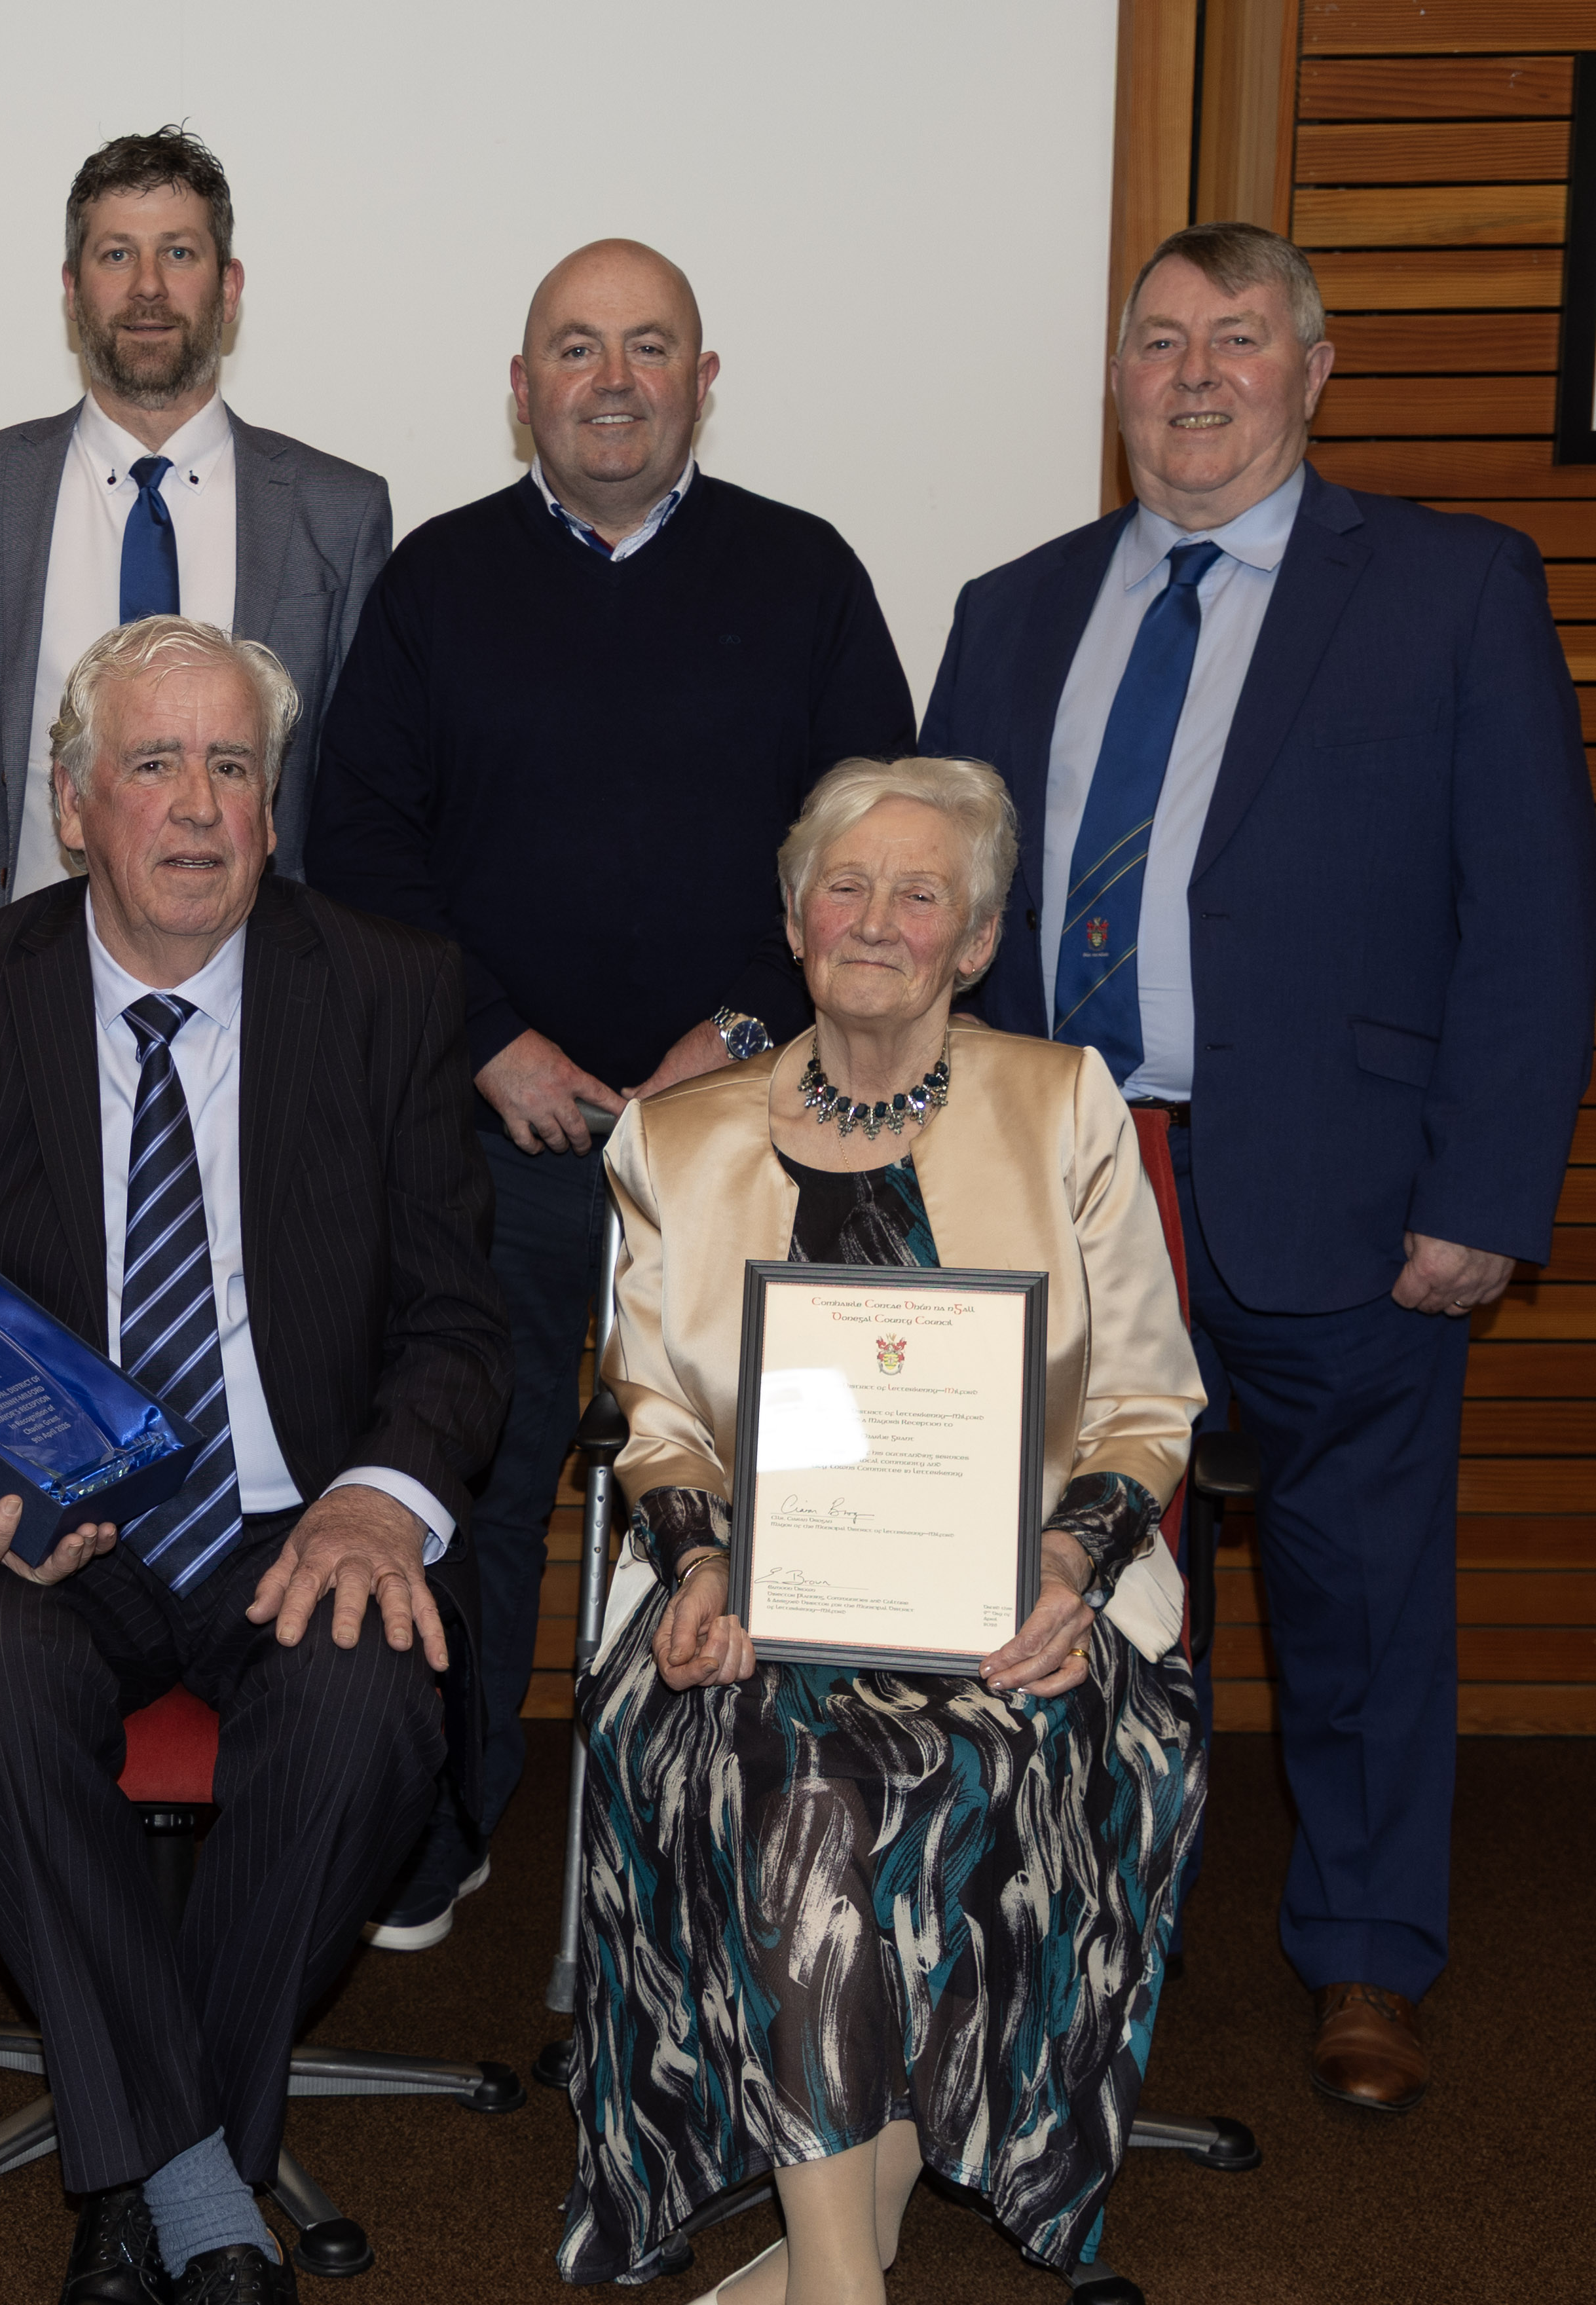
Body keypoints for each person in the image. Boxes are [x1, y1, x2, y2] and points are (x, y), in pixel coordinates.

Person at [919, 221, 1596, 2112]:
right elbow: (931, 912)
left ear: (1314, 371)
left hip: (1340, 1189)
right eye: (1155, 342)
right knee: (1060, 1593)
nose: (1192, 377)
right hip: (1059, 1192)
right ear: (1114, 376)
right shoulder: (1011, 605)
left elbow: (1531, 917)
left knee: (1355, 1596)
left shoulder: (1450, 590)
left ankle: (1367, 1959)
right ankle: (1071, 1941)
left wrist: (1482, 1197)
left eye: (1236, 340)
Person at [0, 618, 507, 2304]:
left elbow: (456, 1325)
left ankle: (143, 2163)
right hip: (55, 1530)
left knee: (367, 1697)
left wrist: (380, 1494)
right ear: (74, 806)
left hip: (303, 1511)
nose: (196, 807)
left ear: (273, 815)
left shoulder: (388, 988)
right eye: (153, 764)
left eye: (232, 768)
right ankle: (206, 2181)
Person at [306, 237, 916, 1947]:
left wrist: (738, 1031)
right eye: (575, 349)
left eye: (650, 348)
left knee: (759, 1496)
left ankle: (743, 1837)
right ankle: (446, 1815)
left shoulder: (802, 577)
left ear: (701, 382)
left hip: (752, 1144)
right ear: (522, 389)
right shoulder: (434, 583)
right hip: (500, 1140)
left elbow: (873, 841)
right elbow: (363, 850)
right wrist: (490, 1039)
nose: (613, 378)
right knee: (468, 1492)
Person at [561, 756, 1206, 2302]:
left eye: (922, 893)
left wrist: (1066, 1568)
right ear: (793, 919)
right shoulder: (677, 1137)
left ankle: (832, 2246)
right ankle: (846, 2274)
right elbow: (651, 1408)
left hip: (1028, 1607)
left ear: (973, 943)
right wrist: (701, 1560)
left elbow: (1144, 1397)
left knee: (945, 1765)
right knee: (796, 1768)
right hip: (746, 1604)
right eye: (844, 884)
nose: (875, 917)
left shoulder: (1062, 1106)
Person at [0, 126, 389, 931]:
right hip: (13, 980)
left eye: (178, 254)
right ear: (72, 288)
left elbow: (352, 807)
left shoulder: (337, 513)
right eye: (115, 256)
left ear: (229, 287)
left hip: (257, 987)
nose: (146, 289)